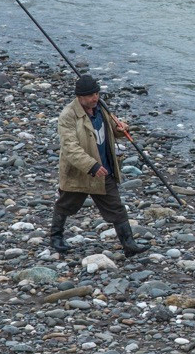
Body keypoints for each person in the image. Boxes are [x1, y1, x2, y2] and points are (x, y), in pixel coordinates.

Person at [50, 74, 150, 257]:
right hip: (79, 172)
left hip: (105, 170)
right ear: (79, 97)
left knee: (117, 208)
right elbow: (70, 148)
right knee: (65, 205)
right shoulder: (68, 116)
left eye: (96, 93)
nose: (95, 98)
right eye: (90, 95)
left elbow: (112, 128)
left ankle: (129, 245)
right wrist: (92, 166)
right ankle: (56, 237)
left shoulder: (100, 108)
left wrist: (121, 130)